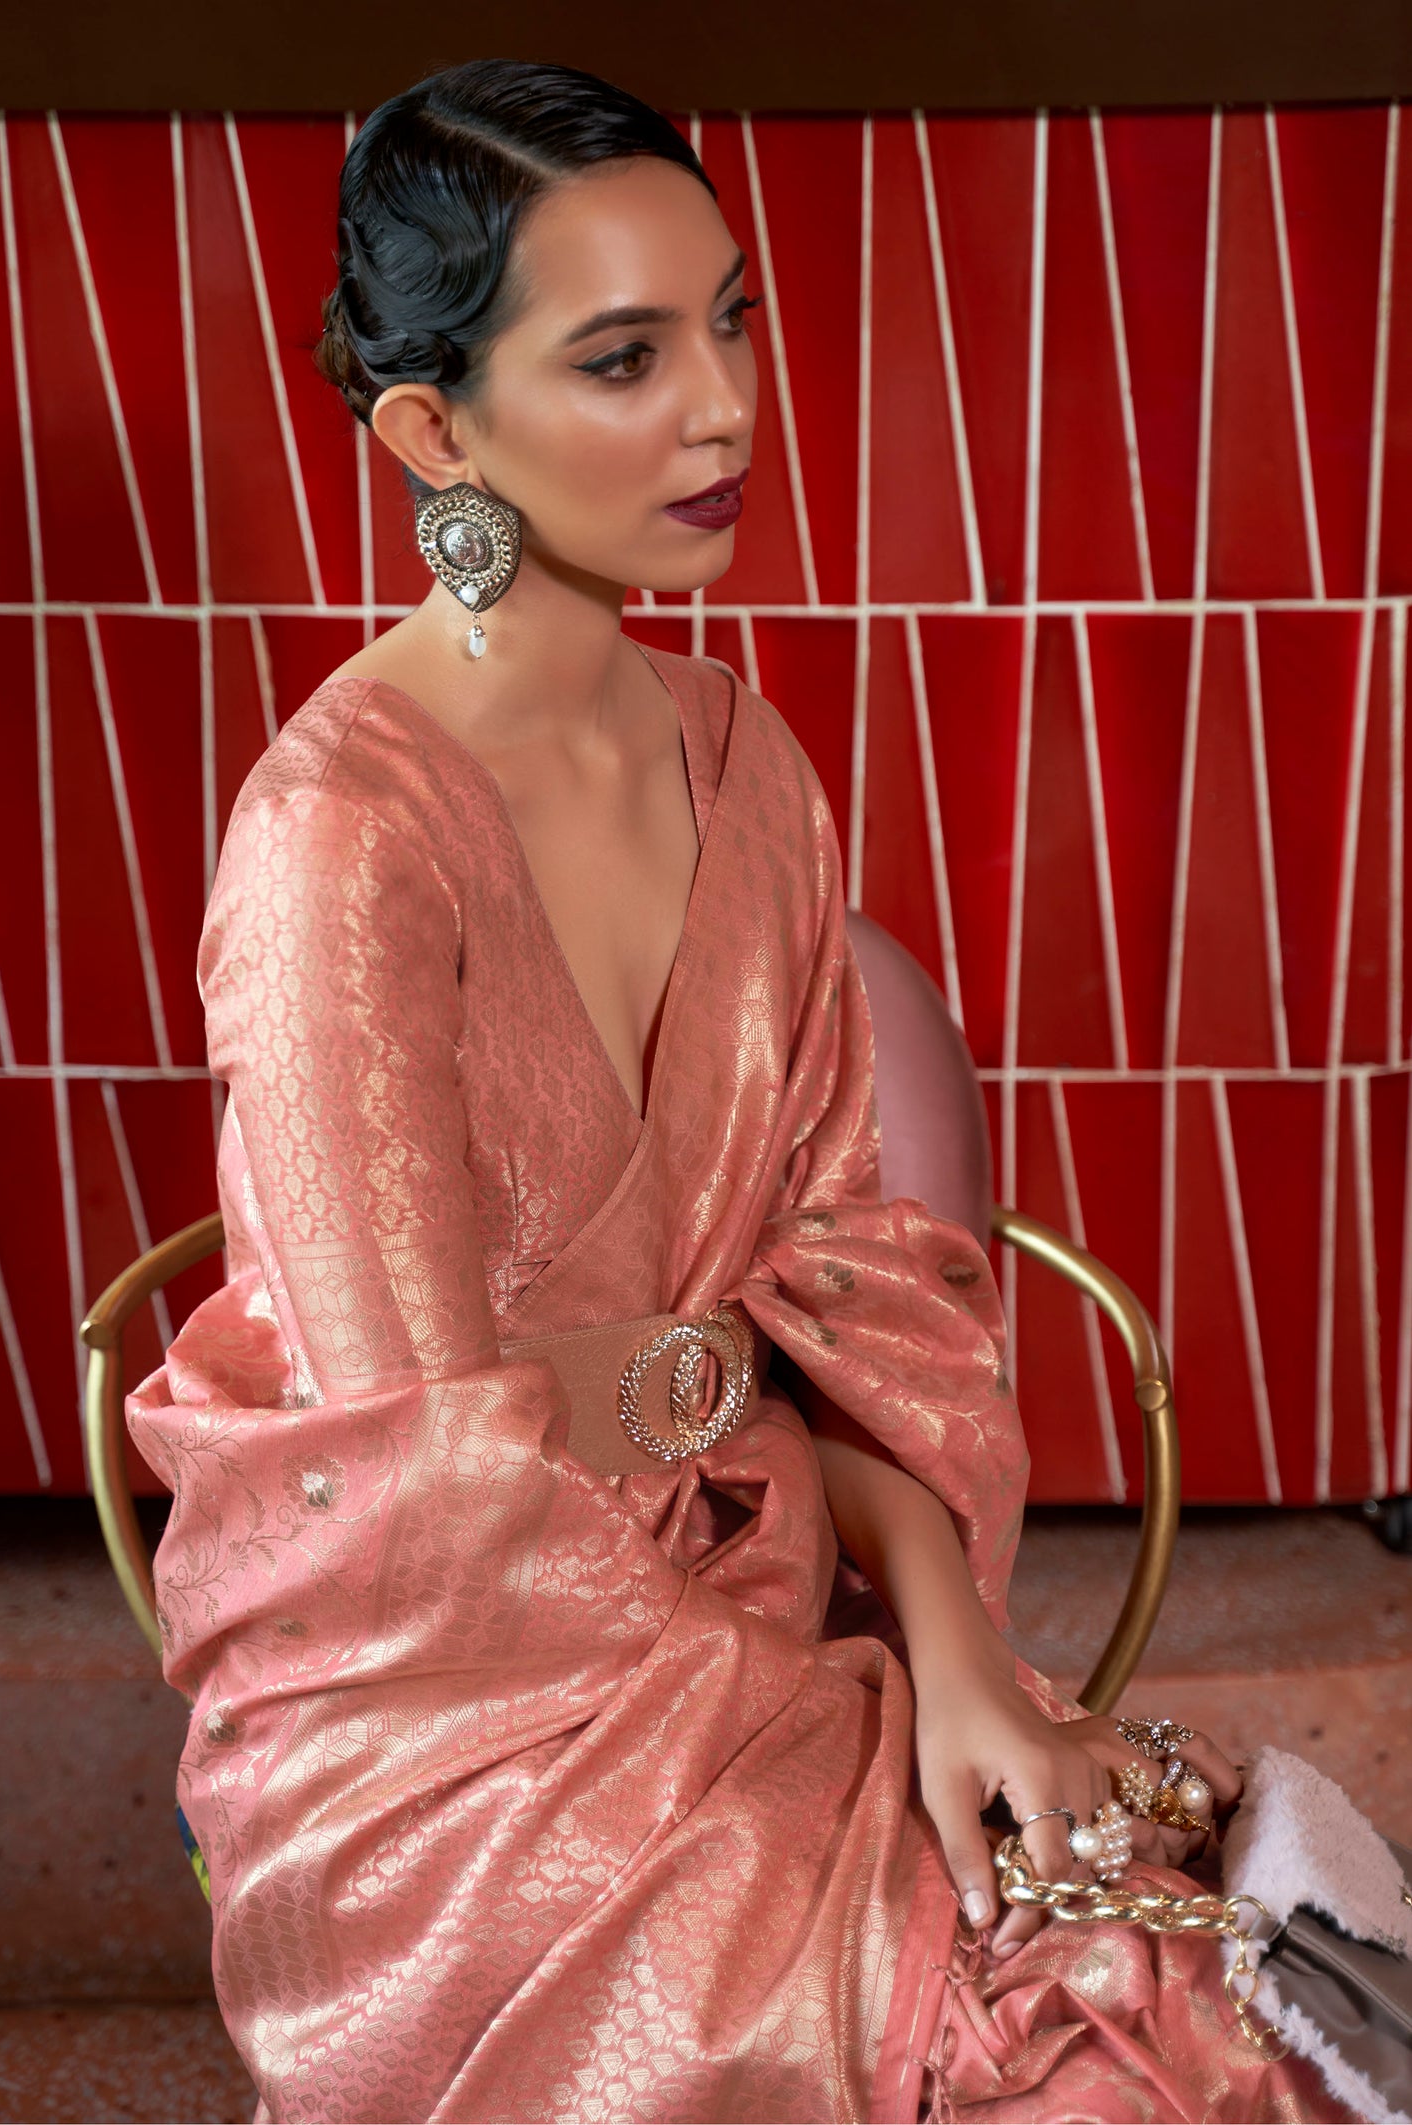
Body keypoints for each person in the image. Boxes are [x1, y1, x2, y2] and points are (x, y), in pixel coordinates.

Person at [127, 60, 1341, 2125]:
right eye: (623, 357)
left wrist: (948, 1657)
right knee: (1108, 2037)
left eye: (732, 320)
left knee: (1208, 1978)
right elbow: (421, 1491)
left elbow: (837, 1304)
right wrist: (829, 1742)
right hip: (465, 1742)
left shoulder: (747, 763)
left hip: (761, 1583)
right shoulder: (341, 842)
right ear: (433, 434)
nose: (722, 409)